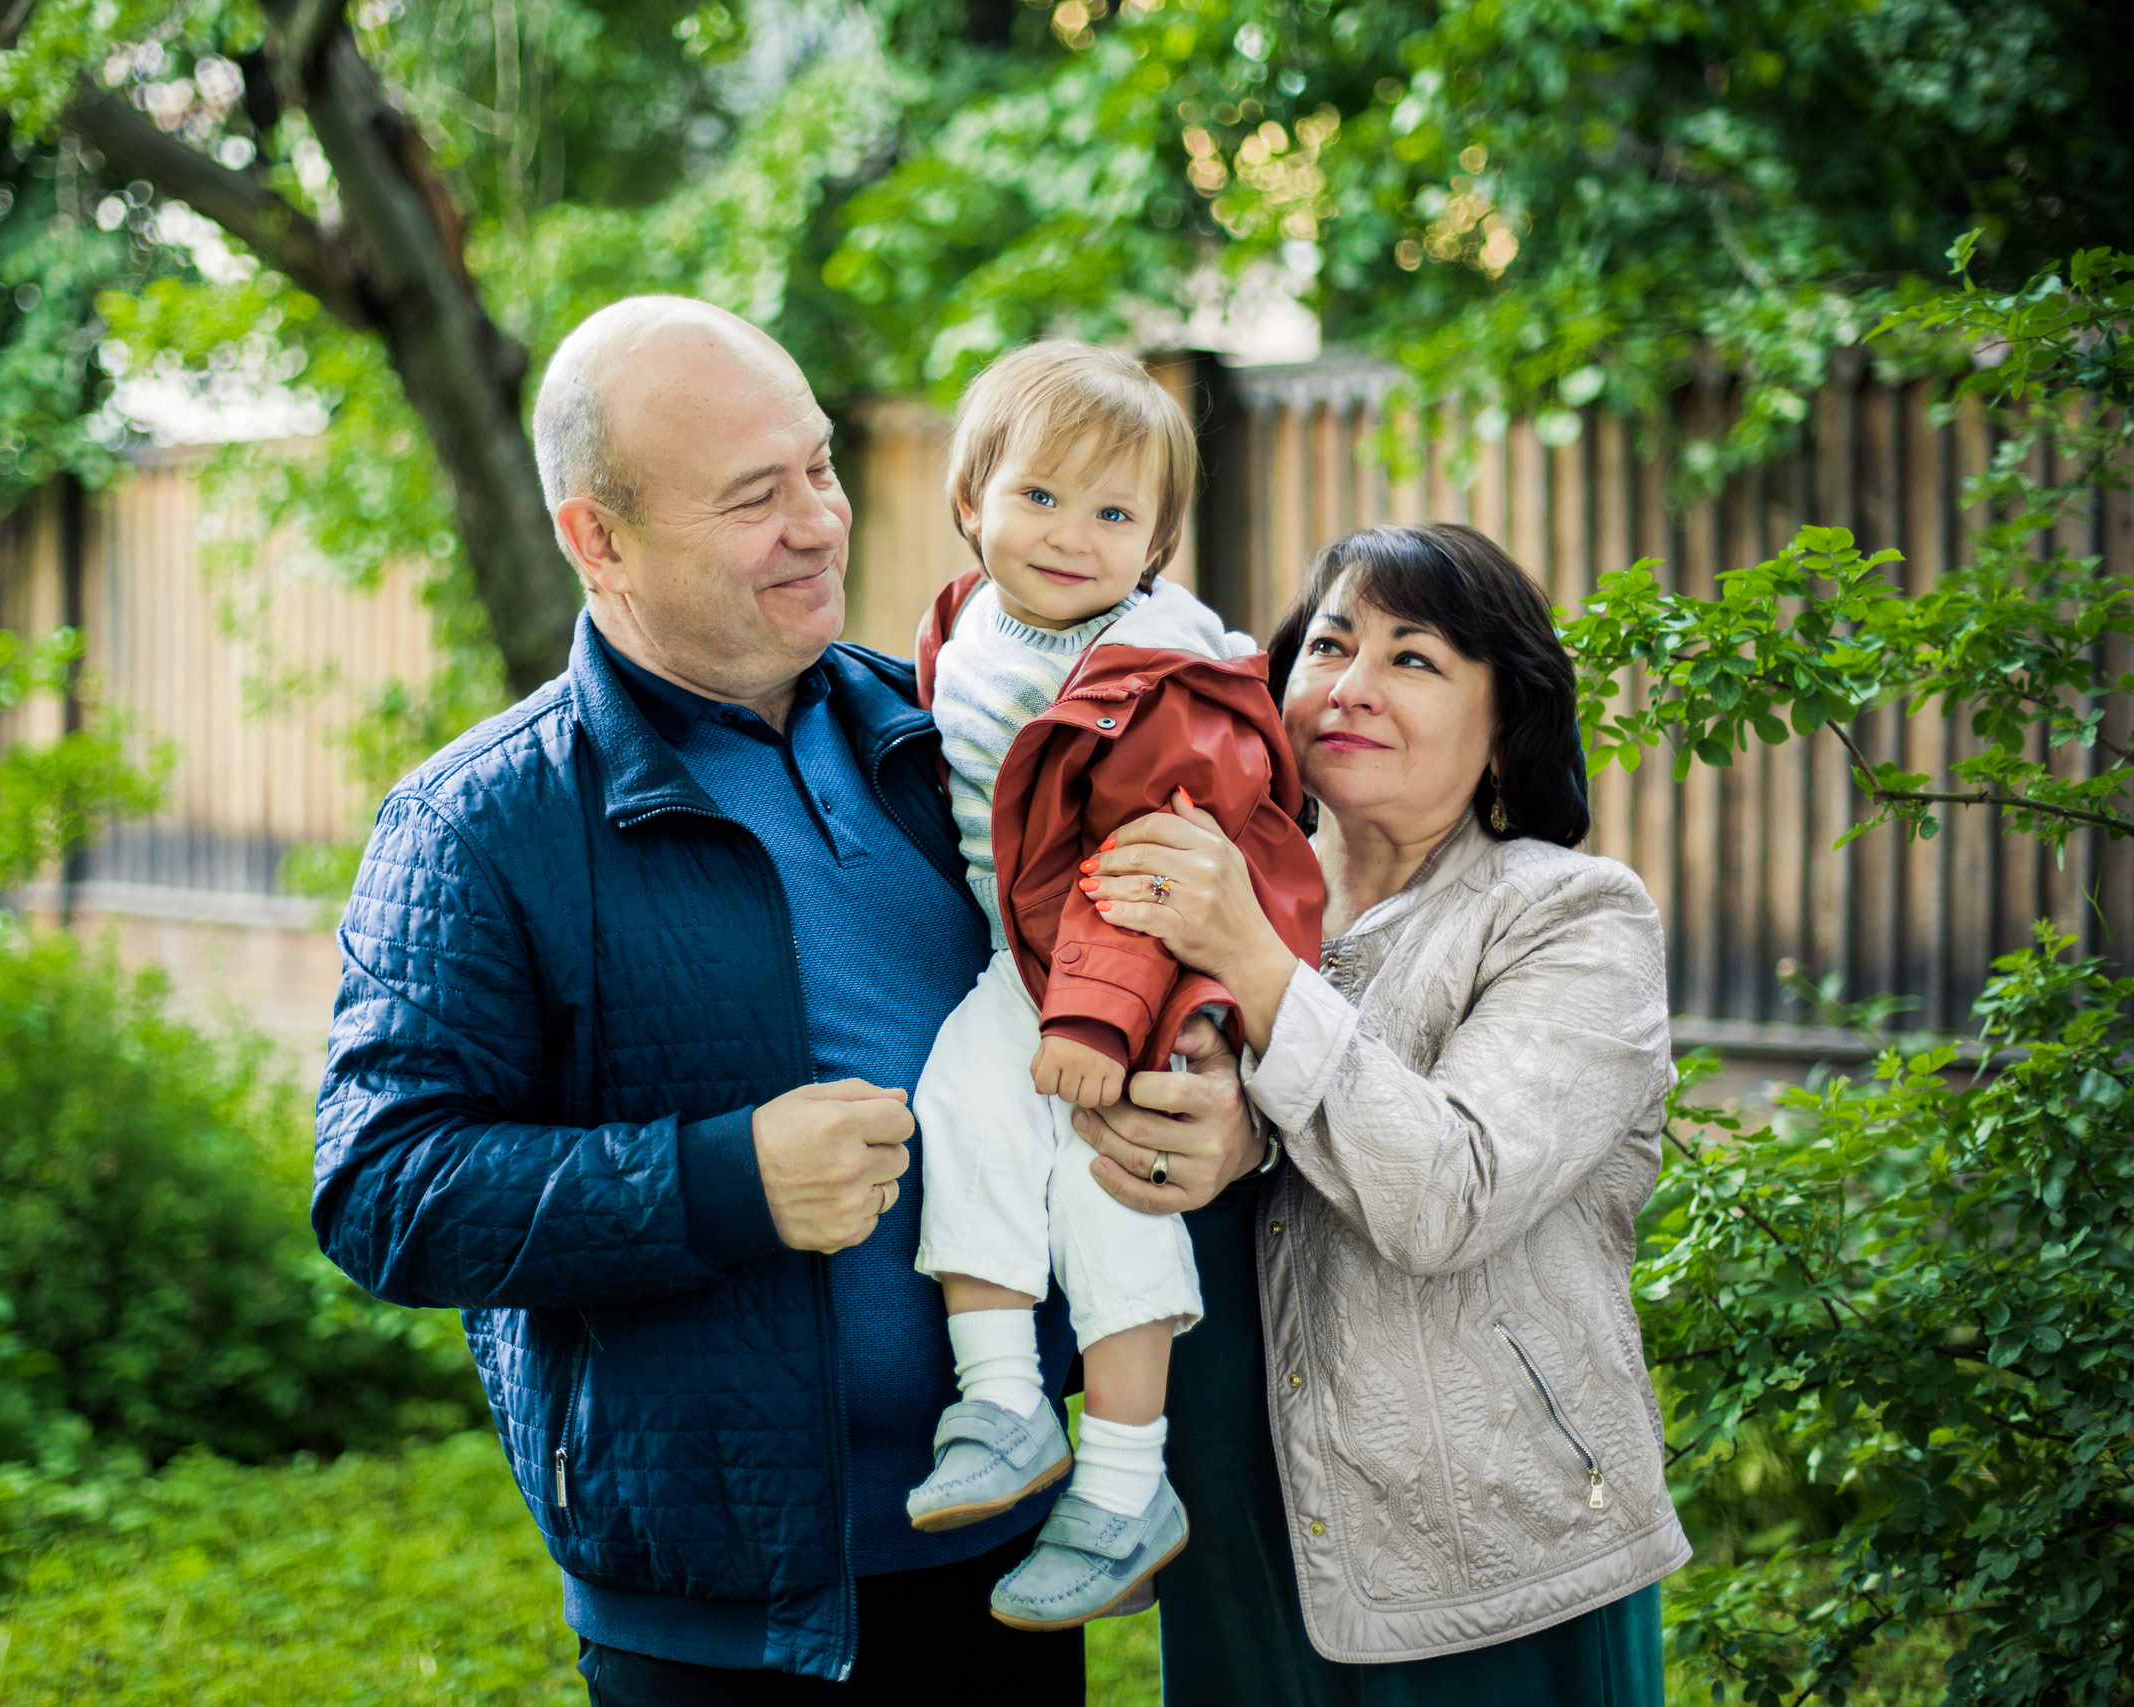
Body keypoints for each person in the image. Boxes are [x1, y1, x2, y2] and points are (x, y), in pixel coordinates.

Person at [308, 296, 1261, 1705]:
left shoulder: (947, 732)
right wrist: (718, 1178)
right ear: (599, 537)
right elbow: (381, 1187)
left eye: (818, 467)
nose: (820, 520)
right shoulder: (475, 823)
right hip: (723, 1615)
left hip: (1000, 1566)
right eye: (756, 495)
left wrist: (1217, 1104)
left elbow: (1135, 958)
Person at [1079, 522, 1688, 1703]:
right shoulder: (1218, 885)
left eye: (1413, 660)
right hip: (1236, 1520)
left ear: (1503, 720)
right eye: (1329, 646)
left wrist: (1251, 964)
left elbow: (1447, 1196)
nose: (1350, 687)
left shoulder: (1571, 915)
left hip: (1485, 1552)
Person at [895, 342, 1324, 1633]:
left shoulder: (1161, 675)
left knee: (1110, 1180)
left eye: (1114, 513)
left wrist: (1100, 1012)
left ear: (1158, 544)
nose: (1072, 535)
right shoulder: (969, 619)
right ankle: (1003, 1404)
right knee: (959, 1103)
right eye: (1039, 496)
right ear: (972, 496)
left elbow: (1152, 865)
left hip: (1137, 972)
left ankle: (1130, 1482)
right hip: (1022, 959)